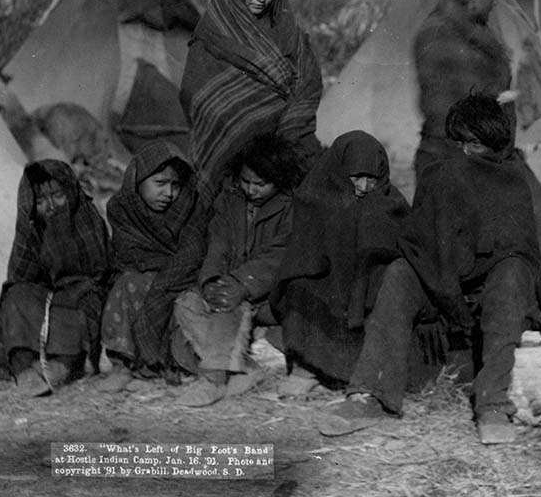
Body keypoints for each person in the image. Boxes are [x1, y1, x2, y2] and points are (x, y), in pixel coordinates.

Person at [330, 94, 541, 445]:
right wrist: (446, 299)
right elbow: (423, 246)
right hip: (444, 289)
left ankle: (492, 403)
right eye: (457, 143)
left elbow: (521, 251)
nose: (465, 154)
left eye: (475, 144)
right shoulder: (438, 175)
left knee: (513, 272)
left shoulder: (512, 180)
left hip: (490, 295)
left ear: (494, 145)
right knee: (399, 272)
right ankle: (372, 395)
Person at [179, 0, 322, 203]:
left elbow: (308, 82)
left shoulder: (289, 32)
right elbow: (196, 95)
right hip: (224, 146)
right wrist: (240, 117)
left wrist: (285, 123)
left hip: (287, 139)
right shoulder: (213, 33)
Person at [171, 134, 303, 406]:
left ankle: (213, 380)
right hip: (228, 284)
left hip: (266, 294)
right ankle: (243, 367)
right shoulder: (229, 201)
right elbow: (218, 245)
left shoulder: (290, 208)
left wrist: (241, 283)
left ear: (280, 181)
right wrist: (212, 280)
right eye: (246, 182)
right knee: (186, 304)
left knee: (228, 307)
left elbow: (278, 256)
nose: (251, 190)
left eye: (261, 184)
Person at [274, 130, 412, 389]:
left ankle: (352, 372)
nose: (363, 187)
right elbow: (302, 255)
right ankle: (308, 367)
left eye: (372, 178)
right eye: (356, 177)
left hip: (367, 290)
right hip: (324, 283)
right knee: (300, 285)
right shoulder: (313, 198)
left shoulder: (390, 203)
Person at [0, 161, 110, 395]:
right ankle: (24, 370)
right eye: (40, 201)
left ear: (70, 191)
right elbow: (20, 275)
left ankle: (62, 365)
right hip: (45, 295)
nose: (51, 206)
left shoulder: (86, 217)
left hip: (80, 291)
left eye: (57, 195)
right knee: (16, 297)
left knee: (88, 305)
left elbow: (99, 271)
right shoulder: (30, 226)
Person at [100, 141, 210, 390]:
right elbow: (128, 254)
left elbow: (192, 256)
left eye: (175, 185)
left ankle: (157, 366)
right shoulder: (122, 209)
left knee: (166, 295)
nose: (169, 193)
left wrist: (161, 277)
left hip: (181, 279)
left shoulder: (191, 208)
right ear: (137, 181)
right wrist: (158, 268)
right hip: (144, 276)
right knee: (126, 284)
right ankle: (123, 366)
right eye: (160, 184)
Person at [412, 0, 515, 178]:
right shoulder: (440, 34)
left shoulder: (471, 31)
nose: (494, 3)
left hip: (472, 155)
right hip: (454, 159)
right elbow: (463, 100)